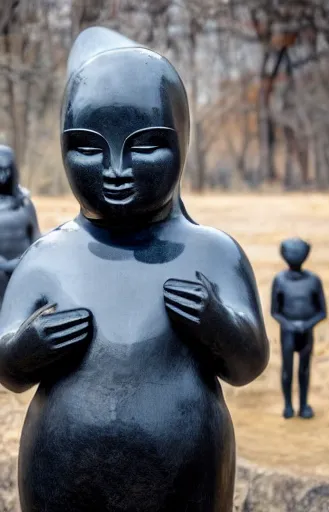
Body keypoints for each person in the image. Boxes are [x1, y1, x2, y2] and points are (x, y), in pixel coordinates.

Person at [0, 26, 269, 512]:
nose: (115, 169)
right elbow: (7, 370)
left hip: (187, 478)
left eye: (145, 146)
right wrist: (26, 347)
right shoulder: (47, 255)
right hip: (61, 477)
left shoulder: (212, 252)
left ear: (181, 141)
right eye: (88, 146)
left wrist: (217, 325)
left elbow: (248, 363)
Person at [271, 237, 327, 419]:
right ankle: (288, 405)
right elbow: (275, 311)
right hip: (288, 333)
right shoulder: (279, 280)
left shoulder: (313, 281)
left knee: (304, 369)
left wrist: (306, 324)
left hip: (305, 333)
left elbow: (322, 311)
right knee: (287, 369)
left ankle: (303, 405)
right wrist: (290, 324)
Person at [0, 145, 40, 304]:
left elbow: (36, 237)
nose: (2, 176)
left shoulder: (25, 204)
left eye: (6, 169)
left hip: (22, 269)